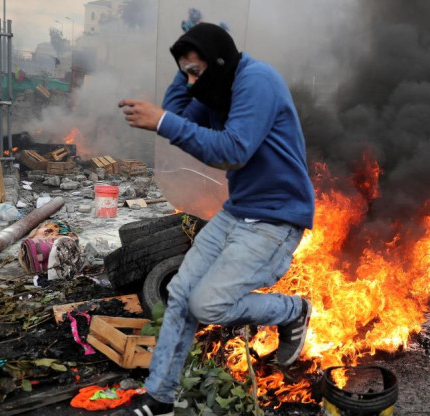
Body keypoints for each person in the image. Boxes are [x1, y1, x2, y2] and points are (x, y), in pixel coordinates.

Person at [115, 23, 315, 416]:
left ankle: (294, 311)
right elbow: (177, 116)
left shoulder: (256, 81)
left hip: (277, 218)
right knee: (180, 296)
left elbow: (234, 150)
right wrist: (186, 62)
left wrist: (162, 119)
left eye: (196, 71)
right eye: (185, 72)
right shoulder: (214, 88)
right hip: (238, 211)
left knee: (208, 304)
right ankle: (160, 398)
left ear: (221, 63)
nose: (191, 81)